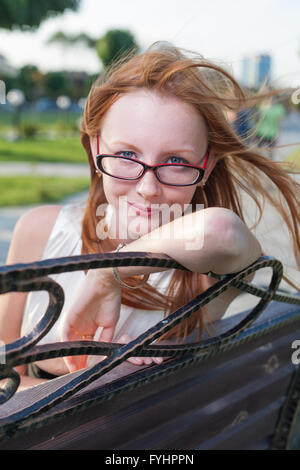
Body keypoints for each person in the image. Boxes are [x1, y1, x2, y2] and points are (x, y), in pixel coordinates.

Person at [0, 43, 299, 390]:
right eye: (127, 153)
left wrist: (109, 274)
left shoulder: (205, 269)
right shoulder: (40, 229)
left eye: (175, 161)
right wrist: (90, 379)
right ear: (97, 148)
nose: (147, 187)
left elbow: (222, 230)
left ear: (207, 165)